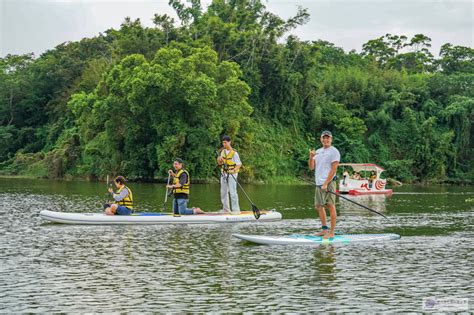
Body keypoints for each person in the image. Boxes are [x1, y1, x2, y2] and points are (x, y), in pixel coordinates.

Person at [309, 130, 340, 239]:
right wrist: (311, 157)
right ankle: (324, 229)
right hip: (319, 183)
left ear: (331, 139)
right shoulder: (318, 151)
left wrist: (326, 183)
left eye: (328, 138)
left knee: (330, 206)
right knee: (318, 206)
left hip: (329, 182)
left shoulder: (334, 151)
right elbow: (312, 167)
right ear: (321, 139)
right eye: (324, 138)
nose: (326, 140)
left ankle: (331, 232)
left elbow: (334, 168)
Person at [216, 135, 242, 214]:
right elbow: (220, 163)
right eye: (223, 143)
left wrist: (233, 170)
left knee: (232, 192)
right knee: (223, 192)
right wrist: (219, 160)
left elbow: (239, 164)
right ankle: (226, 210)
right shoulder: (222, 152)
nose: (224, 144)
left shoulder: (234, 153)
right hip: (224, 174)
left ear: (229, 142)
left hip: (232, 174)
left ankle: (236, 210)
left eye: (225, 143)